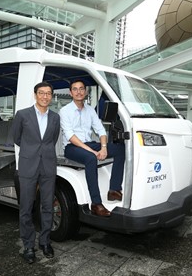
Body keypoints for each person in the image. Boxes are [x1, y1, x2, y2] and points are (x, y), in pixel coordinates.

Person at [59, 80, 125, 217]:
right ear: (71, 92)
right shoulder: (64, 111)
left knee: (120, 149)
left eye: (81, 89)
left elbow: (100, 130)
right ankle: (96, 203)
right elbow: (70, 136)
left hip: (89, 144)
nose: (79, 92)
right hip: (72, 147)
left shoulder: (89, 110)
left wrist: (104, 148)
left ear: (86, 91)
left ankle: (114, 189)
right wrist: (94, 152)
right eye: (75, 89)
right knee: (90, 158)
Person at [11, 82, 60, 264]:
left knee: (48, 206)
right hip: (28, 166)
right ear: (35, 94)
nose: (45, 96)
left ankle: (45, 242)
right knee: (26, 207)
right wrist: (32, 151)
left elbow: (52, 140)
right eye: (41, 93)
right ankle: (28, 245)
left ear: (51, 96)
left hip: (48, 166)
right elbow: (16, 138)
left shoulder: (55, 117)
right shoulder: (22, 115)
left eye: (48, 93)